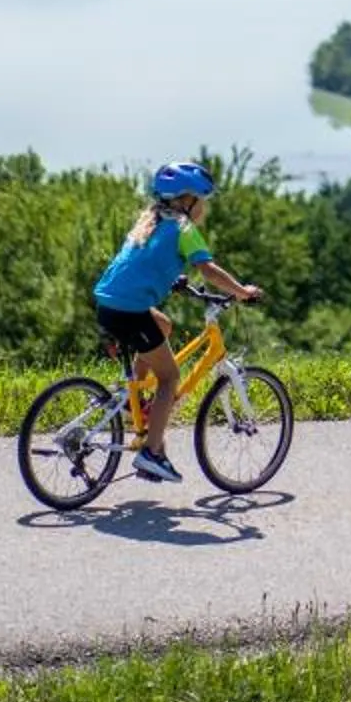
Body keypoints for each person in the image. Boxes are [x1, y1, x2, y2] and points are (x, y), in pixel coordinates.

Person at [93, 161, 263, 484]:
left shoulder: (152, 220)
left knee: (164, 326)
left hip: (108, 304)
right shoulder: (185, 229)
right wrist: (241, 292)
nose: (204, 209)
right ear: (188, 200)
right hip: (131, 310)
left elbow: (140, 264)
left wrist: (171, 279)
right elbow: (209, 270)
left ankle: (135, 403)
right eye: (203, 201)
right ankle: (152, 454)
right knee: (170, 378)